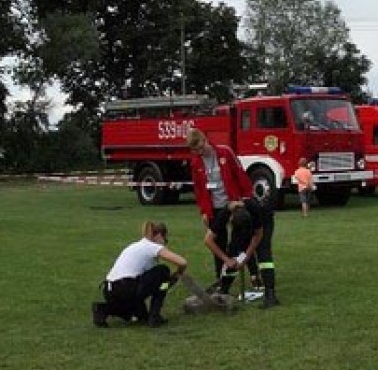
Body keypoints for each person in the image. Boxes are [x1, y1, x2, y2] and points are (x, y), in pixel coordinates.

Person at [187, 127, 253, 282]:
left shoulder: (224, 152)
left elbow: (240, 174)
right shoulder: (195, 162)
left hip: (233, 203)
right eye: (196, 150)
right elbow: (199, 189)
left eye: (201, 148)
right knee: (218, 243)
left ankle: (253, 273)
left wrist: (246, 198)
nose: (200, 152)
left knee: (241, 239)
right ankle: (220, 279)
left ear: (205, 139)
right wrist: (204, 211)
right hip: (214, 208)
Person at [93, 221, 187, 328]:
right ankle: (155, 316)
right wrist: (177, 274)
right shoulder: (152, 246)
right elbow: (182, 262)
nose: (164, 244)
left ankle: (102, 309)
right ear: (159, 236)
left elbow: (149, 283)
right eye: (165, 240)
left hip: (110, 290)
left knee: (140, 316)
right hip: (126, 288)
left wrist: (165, 285)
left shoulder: (135, 246)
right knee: (163, 271)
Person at [203, 197, 279, 307]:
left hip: (264, 219)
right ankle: (224, 290)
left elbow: (258, 235)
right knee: (234, 250)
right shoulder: (225, 214)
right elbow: (208, 240)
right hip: (244, 221)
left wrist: (246, 256)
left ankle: (270, 294)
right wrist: (227, 260)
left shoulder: (254, 210)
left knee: (263, 252)